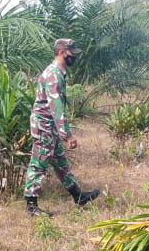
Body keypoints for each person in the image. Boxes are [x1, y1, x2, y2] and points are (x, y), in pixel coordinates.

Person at [23, 38, 101, 216]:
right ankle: (31, 206)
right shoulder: (53, 75)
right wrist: (67, 135)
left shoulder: (59, 73)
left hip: (50, 127)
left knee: (61, 163)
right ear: (61, 52)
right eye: (71, 53)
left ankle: (78, 196)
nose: (74, 56)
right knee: (38, 164)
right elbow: (56, 108)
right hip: (44, 127)